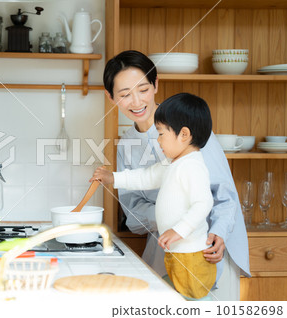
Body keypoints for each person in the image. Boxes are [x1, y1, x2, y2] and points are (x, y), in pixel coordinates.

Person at [101, 50, 250, 301]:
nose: (136, 102)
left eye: (143, 89)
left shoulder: (187, 128)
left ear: (156, 84)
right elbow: (134, 212)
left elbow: (223, 195)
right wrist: (173, 220)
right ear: (111, 97)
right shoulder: (126, 144)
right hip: (168, 246)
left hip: (210, 246)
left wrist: (219, 234)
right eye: (125, 95)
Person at [92, 92, 216, 299]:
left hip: (191, 253)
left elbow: (203, 203)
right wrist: (112, 177)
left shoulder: (192, 166)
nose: (158, 140)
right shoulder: (173, 163)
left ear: (183, 134)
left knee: (193, 297)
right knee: (176, 293)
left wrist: (179, 230)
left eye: (161, 133)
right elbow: (145, 177)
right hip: (176, 251)